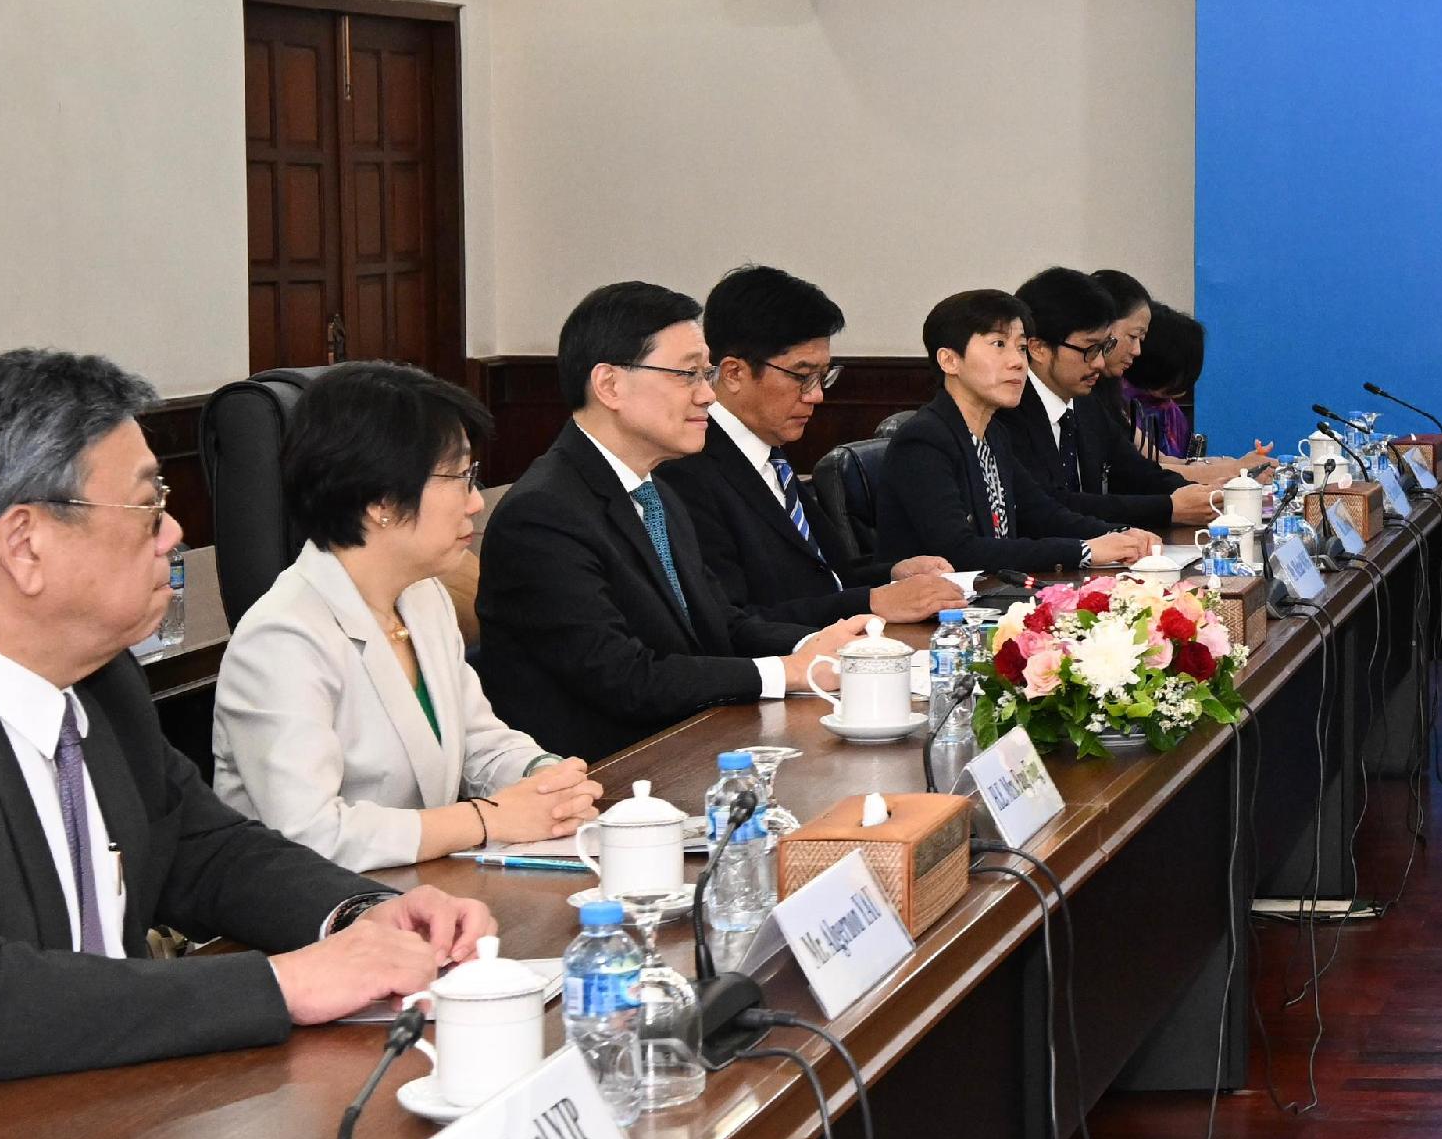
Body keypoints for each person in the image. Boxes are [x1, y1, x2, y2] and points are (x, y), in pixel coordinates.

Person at [0, 351, 498, 1111]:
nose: (174, 532)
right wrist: (284, 982)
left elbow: (203, 846)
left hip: (99, 1116)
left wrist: (361, 914)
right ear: (25, 543)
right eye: (149, 506)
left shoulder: (100, 679)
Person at [213, 366, 606, 870]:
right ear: (379, 499)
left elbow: (478, 742)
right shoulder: (283, 638)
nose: (475, 501)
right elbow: (310, 833)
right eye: (458, 477)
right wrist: (485, 820)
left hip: (420, 890)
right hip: (316, 919)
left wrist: (544, 776)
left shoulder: (422, 597)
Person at [477, 283, 868, 767]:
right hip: (606, 783)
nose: (707, 394)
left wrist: (816, 646)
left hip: (689, 750)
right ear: (610, 385)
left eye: (705, 373)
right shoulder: (542, 515)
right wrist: (787, 671)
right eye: (687, 374)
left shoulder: (654, 490)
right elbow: (625, 678)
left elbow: (719, 620)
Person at [660, 265, 965, 631]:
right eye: (801, 376)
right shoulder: (686, 470)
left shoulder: (769, 453)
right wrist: (871, 601)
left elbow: (823, 579)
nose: (816, 395)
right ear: (734, 372)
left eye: (823, 376)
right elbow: (731, 619)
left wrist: (893, 575)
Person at [874, 290, 1162, 579]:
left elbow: (1043, 514)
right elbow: (960, 551)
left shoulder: (994, 433)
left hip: (993, 597)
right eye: (998, 344)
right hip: (932, 615)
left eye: (1021, 347)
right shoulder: (924, 440)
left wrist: (1122, 535)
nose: (1018, 362)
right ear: (949, 361)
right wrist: (1084, 551)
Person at [997, 267, 1223, 532]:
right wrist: (1169, 507)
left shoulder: (1085, 402)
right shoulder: (1007, 410)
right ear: (1038, 348)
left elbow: (1135, 472)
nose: (1100, 362)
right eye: (1090, 349)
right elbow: (1050, 505)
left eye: (1104, 348)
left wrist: (1206, 495)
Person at [1097, 274, 1203, 465]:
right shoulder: (1107, 399)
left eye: (1141, 340)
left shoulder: (1110, 398)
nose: (1137, 350)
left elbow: (1157, 462)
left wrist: (1228, 466)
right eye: (1133, 336)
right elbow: (1150, 468)